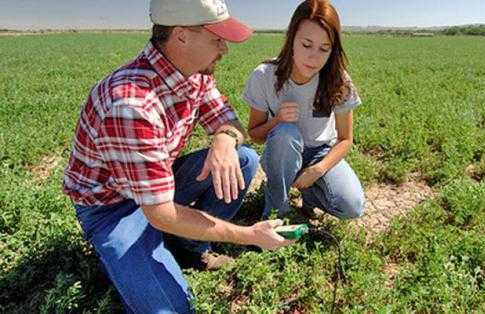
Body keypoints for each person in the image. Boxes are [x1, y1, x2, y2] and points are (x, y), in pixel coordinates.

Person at [63, 0, 293, 312]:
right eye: (217, 39)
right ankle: (126, 252)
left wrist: (225, 140)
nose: (224, 49)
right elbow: (161, 213)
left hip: (157, 184)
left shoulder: (195, 73)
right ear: (182, 35)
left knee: (243, 159)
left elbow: (228, 120)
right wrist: (249, 235)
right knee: (173, 308)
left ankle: (188, 243)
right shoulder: (131, 105)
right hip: (112, 206)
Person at [243, 0, 365, 220]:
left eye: (324, 49)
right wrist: (277, 120)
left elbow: (346, 140)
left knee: (352, 206)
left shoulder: (338, 80)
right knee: (285, 133)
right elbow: (255, 135)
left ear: (332, 49)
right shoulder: (264, 76)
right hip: (283, 150)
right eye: (306, 45)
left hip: (321, 152)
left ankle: (308, 194)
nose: (314, 57)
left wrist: (318, 169)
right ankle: (275, 210)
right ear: (291, 39)